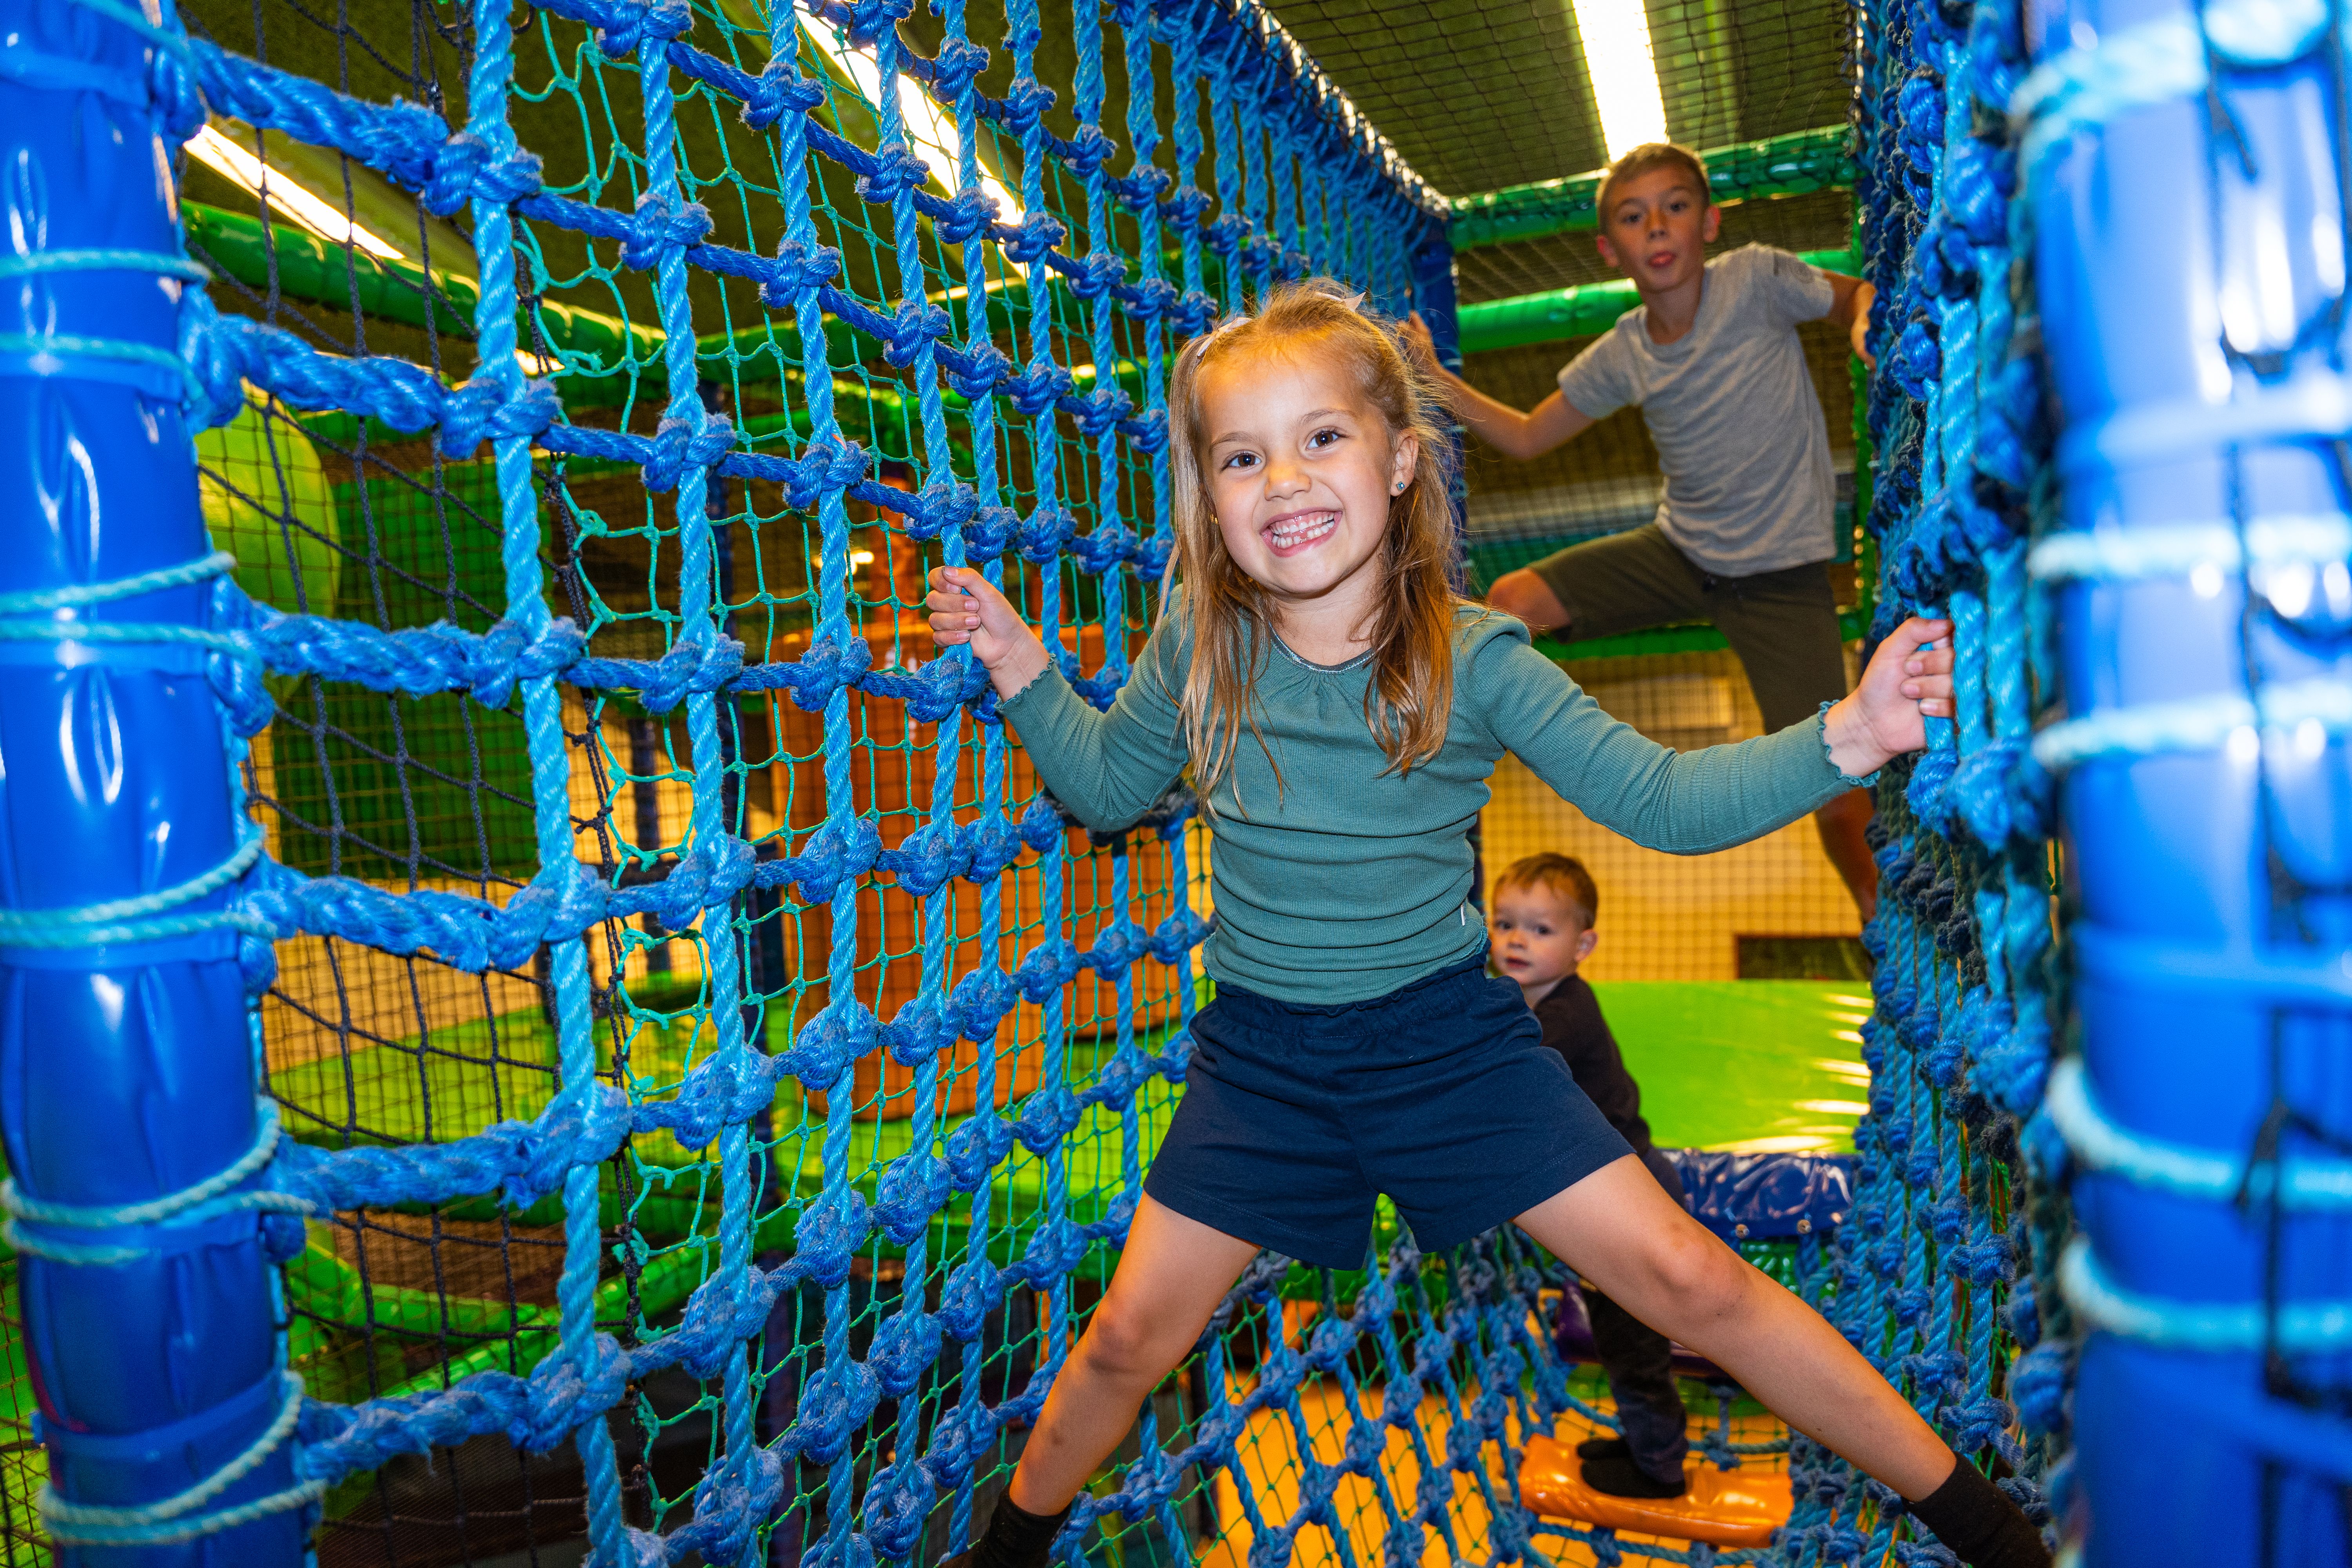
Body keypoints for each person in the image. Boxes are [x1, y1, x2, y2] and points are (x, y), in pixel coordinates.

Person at [925, 280, 2044, 1568]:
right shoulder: (1201, 640)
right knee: (1127, 1337)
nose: (1283, 480)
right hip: (1266, 1062)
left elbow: (1666, 802)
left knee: (1692, 1281)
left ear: (1402, 458)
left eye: (1322, 437)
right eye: (1242, 457)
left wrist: (1849, 733)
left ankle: (1997, 1538)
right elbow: (1110, 790)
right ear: (1209, 495)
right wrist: (1022, 668)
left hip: (1447, 1047)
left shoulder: (1480, 656)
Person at [1400, 141, 1884, 921]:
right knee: (1510, 600)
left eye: (1675, 207)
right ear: (1609, 249)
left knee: (1834, 769)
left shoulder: (1757, 280)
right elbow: (1526, 435)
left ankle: (1875, 911)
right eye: (1633, 217)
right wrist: (1433, 379)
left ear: (1710, 223)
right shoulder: (1626, 348)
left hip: (1783, 579)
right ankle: (1444, 741)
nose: (1656, 227)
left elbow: (1850, 294)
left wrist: (1865, 319)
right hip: (1681, 552)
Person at [1488, 852, 1692, 1501]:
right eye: (1504, 923)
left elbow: (1504, 1080)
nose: (1517, 940)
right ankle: (1644, 1443)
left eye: (1540, 930)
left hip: (1634, 1197)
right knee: (1617, 1331)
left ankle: (1659, 1469)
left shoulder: (1564, 1016)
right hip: (1612, 1192)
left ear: (1583, 946)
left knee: (1633, 1341)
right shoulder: (1528, 1002)